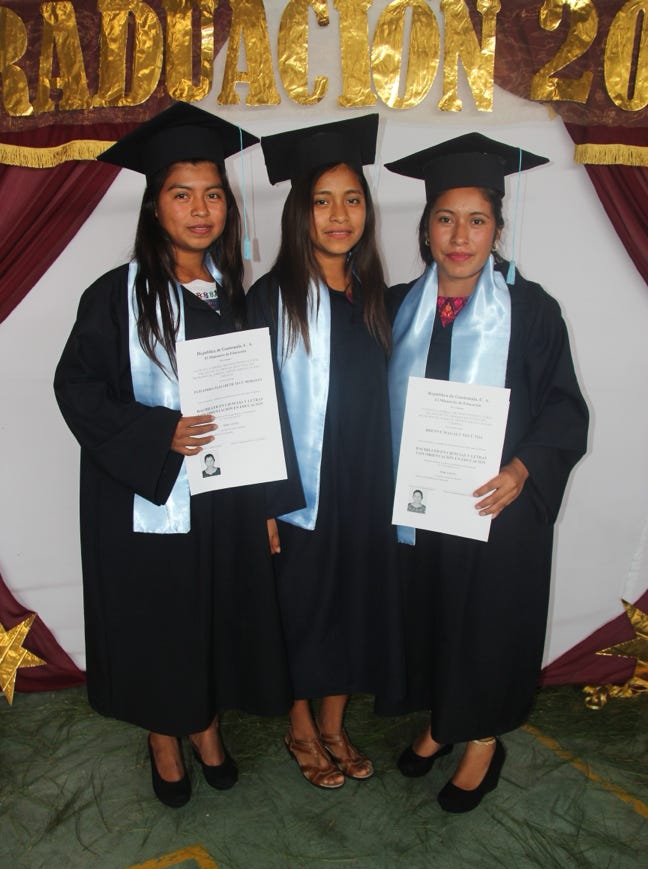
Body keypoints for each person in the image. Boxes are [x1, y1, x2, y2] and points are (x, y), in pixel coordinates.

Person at [54, 103, 292, 808]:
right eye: (181, 194)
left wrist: (268, 503)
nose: (200, 209)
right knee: (160, 621)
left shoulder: (237, 297)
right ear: (155, 206)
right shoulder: (115, 296)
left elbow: (262, 403)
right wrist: (160, 431)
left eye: (213, 194)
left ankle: (205, 725)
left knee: (208, 617)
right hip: (146, 498)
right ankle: (165, 735)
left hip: (223, 498)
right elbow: (76, 387)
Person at [385, 133, 588, 812]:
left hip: (498, 509)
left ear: (498, 229)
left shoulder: (531, 310)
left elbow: (564, 407)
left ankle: (481, 742)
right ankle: (444, 722)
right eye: (445, 218)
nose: (459, 236)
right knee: (434, 615)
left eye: (477, 220)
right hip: (422, 506)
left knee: (487, 622)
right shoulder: (397, 308)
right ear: (426, 228)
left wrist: (524, 469)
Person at [247, 115, 404, 789]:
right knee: (299, 609)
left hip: (366, 484)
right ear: (299, 212)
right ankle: (301, 727)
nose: (340, 216)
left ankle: (335, 724)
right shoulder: (268, 300)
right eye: (322, 201)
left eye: (352, 200)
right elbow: (252, 412)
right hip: (298, 490)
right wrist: (265, 503)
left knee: (354, 604)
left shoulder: (380, 299)